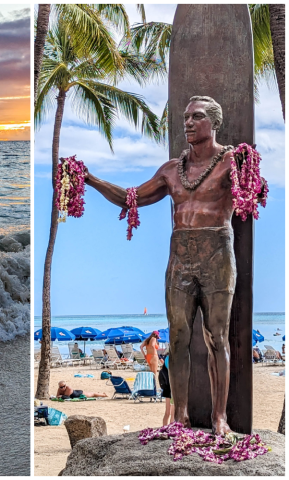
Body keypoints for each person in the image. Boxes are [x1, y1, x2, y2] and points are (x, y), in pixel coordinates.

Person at [84, 96, 266, 435]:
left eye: (196, 117)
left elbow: (252, 197)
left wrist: (249, 168)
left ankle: (219, 418)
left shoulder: (232, 162)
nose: (188, 123)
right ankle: (180, 416)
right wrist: (90, 179)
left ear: (214, 123)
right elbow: (131, 198)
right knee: (178, 337)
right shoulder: (171, 170)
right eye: (185, 117)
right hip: (180, 255)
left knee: (217, 338)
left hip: (217, 254)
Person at [159, 354, 173, 425]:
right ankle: (171, 430)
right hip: (173, 388)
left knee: (167, 412)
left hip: (167, 388)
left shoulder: (167, 357)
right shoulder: (173, 357)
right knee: (173, 413)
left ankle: (164, 429)